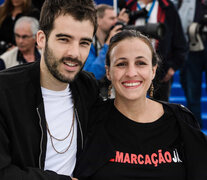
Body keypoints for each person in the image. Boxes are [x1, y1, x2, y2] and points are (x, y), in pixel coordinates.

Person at [74, 30, 207, 180]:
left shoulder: (181, 121)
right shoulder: (90, 121)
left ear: (153, 71)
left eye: (141, 63)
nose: (131, 73)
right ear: (108, 72)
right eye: (121, 64)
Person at [0, 0, 99, 180]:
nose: (74, 53)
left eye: (84, 43)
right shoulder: (5, 91)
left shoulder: (88, 88)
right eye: (64, 39)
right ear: (41, 39)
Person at [122, 0, 187, 101]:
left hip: (161, 69)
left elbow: (179, 39)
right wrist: (121, 22)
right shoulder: (127, 5)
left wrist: (172, 67)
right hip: (130, 67)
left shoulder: (167, 6)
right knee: (131, 105)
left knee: (160, 109)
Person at [177, 0, 207, 128]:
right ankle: (196, 129)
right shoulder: (185, 2)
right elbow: (179, 25)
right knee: (192, 92)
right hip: (192, 49)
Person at [83, 4, 129, 80]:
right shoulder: (87, 43)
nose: (116, 21)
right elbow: (93, 74)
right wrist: (108, 44)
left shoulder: (117, 40)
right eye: (112, 18)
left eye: (116, 18)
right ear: (98, 21)